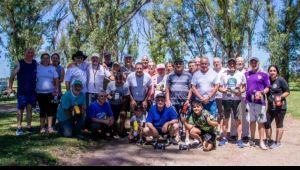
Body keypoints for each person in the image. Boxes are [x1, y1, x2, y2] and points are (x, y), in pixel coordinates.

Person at [7, 48, 37, 136]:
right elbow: (12, 76)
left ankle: (29, 126)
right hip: (22, 92)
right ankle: (19, 128)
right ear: (25, 53)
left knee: (30, 109)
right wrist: (10, 87)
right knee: (20, 110)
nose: (30, 54)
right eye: (28, 52)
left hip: (32, 92)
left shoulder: (35, 63)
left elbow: (44, 66)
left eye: (32, 53)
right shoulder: (20, 63)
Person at [218, 58, 246, 148]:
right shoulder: (223, 75)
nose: (232, 65)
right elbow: (219, 87)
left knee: (238, 120)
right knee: (225, 120)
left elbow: (244, 87)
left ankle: (239, 139)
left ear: (236, 64)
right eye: (230, 63)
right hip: (226, 100)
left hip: (237, 100)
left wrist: (240, 92)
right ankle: (224, 138)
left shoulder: (241, 75)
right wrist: (224, 90)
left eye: (234, 63)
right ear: (228, 64)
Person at [245, 57, 270, 150]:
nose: (254, 64)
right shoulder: (246, 74)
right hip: (249, 102)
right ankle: (251, 140)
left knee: (260, 122)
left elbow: (268, 87)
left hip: (260, 103)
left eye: (255, 62)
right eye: (252, 63)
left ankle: (261, 142)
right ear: (250, 64)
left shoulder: (264, 74)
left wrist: (262, 92)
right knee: (252, 122)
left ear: (258, 63)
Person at [264, 65, 290, 149]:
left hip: (280, 107)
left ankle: (278, 142)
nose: (272, 72)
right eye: (270, 70)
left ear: (277, 72)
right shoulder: (267, 80)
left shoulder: (281, 80)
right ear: (268, 72)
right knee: (266, 122)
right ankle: (269, 140)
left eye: (274, 70)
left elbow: (287, 91)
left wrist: (280, 98)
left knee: (279, 124)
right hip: (270, 107)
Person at [36, 53, 59, 133]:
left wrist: (56, 89)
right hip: (40, 93)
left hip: (50, 93)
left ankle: (49, 127)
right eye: (44, 58)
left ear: (49, 60)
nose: (45, 60)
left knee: (50, 110)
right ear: (41, 59)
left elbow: (56, 79)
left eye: (47, 58)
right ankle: (42, 128)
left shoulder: (52, 68)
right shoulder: (37, 68)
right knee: (42, 110)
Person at [230, 56, 250, 141]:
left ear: (243, 63)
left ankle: (245, 134)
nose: (240, 63)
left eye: (241, 61)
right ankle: (233, 133)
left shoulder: (247, 72)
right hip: (234, 97)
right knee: (234, 115)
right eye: (238, 61)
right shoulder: (233, 72)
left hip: (245, 97)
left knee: (245, 116)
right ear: (236, 63)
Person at [106, 72, 130, 137]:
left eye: (120, 79)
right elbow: (107, 94)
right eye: (117, 79)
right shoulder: (110, 84)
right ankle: (112, 130)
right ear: (115, 79)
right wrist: (111, 97)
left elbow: (126, 97)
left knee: (123, 114)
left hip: (121, 104)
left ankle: (121, 131)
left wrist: (123, 108)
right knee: (113, 117)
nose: (119, 81)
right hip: (111, 104)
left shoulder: (125, 85)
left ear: (122, 79)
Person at [51, 53, 65, 126]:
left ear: (59, 59)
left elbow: (62, 79)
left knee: (55, 108)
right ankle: (48, 124)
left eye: (56, 58)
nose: (55, 59)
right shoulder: (48, 67)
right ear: (51, 59)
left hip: (57, 92)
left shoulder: (61, 68)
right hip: (48, 92)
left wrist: (54, 81)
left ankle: (53, 124)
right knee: (48, 108)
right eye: (53, 58)